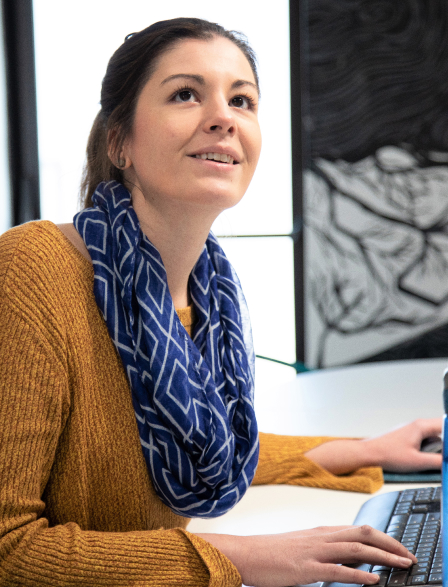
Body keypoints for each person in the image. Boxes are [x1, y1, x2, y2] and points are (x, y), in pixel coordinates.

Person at [0, 17, 442, 587]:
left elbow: (208, 445)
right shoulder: (34, 270)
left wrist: (362, 449)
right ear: (119, 141)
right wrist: (241, 558)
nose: (223, 117)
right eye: (185, 94)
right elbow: (8, 549)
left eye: (242, 100)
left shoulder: (209, 288)